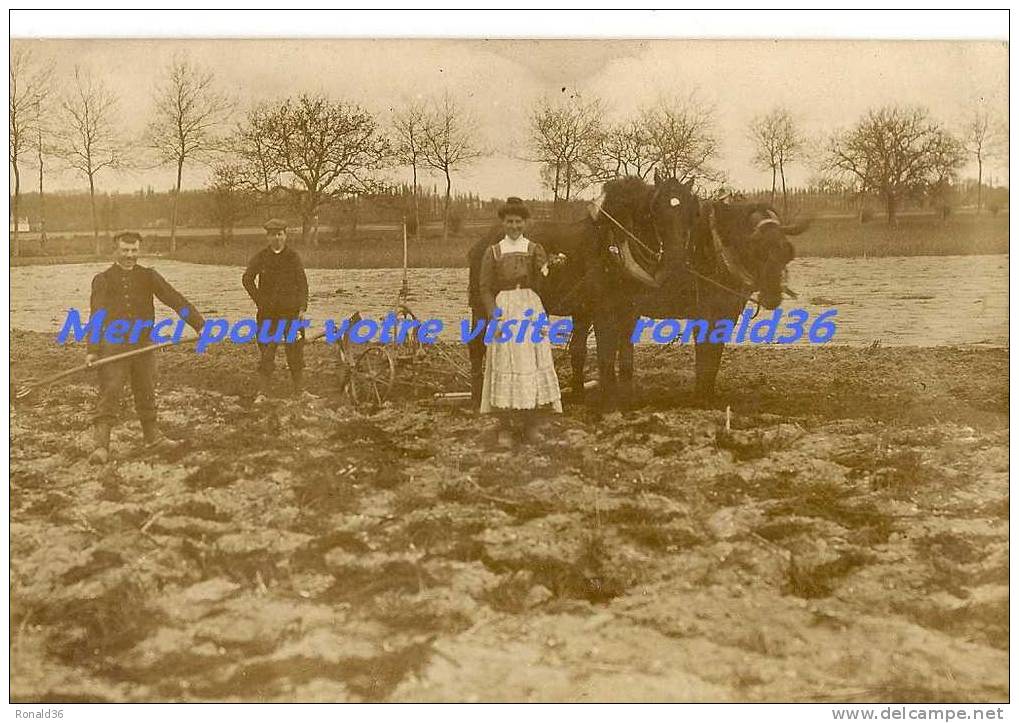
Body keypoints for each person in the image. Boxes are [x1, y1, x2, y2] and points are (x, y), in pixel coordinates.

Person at [86, 231, 206, 465]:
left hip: (143, 343)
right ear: (116, 251)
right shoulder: (103, 279)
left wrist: (199, 324)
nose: (130, 255)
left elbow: (174, 299)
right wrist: (92, 349)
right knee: (110, 391)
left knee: (146, 388)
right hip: (114, 346)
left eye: (134, 251)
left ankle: (153, 438)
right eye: (125, 251)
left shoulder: (149, 276)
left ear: (139, 250)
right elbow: (96, 316)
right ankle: (101, 446)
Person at [478, 197, 563, 448]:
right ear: (503, 223)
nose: (514, 226)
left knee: (532, 361)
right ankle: (505, 426)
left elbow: (542, 281)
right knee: (506, 361)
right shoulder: (493, 251)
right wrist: (495, 313)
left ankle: (531, 424)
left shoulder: (533, 248)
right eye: (509, 221)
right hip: (504, 307)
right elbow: (484, 287)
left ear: (525, 223)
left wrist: (550, 267)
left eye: (518, 221)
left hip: (529, 306)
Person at [242, 218, 311, 403]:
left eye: (280, 234)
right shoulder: (261, 257)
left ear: (285, 236)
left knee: (295, 351)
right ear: (268, 237)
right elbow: (247, 279)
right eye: (273, 235)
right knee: (267, 351)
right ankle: (263, 393)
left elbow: (302, 284)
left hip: (291, 313)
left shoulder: (293, 257)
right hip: (268, 314)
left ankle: (300, 391)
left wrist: (302, 307)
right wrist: (260, 301)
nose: (277, 238)